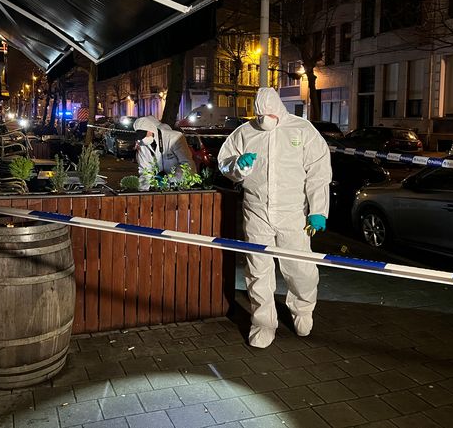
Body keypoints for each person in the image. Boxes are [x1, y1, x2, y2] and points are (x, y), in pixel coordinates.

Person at [218, 88, 332, 348]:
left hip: (293, 213)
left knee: (300, 269)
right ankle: (263, 324)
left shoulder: (301, 130)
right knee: (258, 271)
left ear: (279, 110)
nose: (264, 119)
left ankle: (302, 310)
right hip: (256, 210)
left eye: (268, 114)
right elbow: (224, 162)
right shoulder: (246, 132)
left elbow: (318, 171)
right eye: (259, 115)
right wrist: (238, 165)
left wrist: (317, 210)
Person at [134, 116, 196, 191]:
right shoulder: (142, 144)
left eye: (144, 135)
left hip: (181, 187)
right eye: (140, 136)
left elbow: (187, 164)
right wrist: (145, 187)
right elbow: (145, 170)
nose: (142, 139)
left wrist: (169, 180)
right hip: (160, 189)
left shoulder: (174, 138)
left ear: (151, 130)